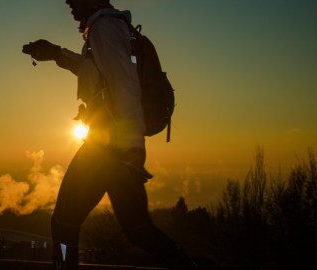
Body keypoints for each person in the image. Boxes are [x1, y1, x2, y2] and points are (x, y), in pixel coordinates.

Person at [22, 1, 199, 269]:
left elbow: (124, 84)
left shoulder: (104, 28)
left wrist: (133, 147)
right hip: (116, 146)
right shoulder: (110, 27)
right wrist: (56, 53)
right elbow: (94, 72)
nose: (68, 4)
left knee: (63, 222)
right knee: (138, 230)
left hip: (106, 146)